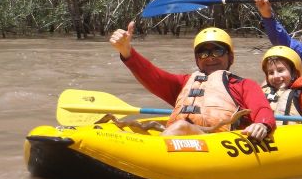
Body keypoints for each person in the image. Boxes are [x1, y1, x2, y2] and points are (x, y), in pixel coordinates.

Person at [109, 21, 276, 141]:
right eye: (203, 53)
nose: (210, 57)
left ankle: (150, 154)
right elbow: (153, 77)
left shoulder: (243, 85)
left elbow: (262, 109)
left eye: (217, 51)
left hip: (218, 143)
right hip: (181, 140)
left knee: (180, 126)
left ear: (230, 56)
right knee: (179, 127)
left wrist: (262, 125)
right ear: (197, 60)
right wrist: (127, 51)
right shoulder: (185, 82)